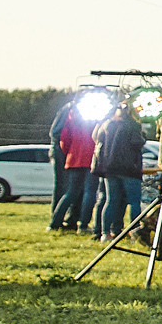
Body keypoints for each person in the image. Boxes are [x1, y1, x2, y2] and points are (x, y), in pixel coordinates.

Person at [91, 96, 147, 239]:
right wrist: (143, 134)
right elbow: (138, 143)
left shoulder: (108, 125)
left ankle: (105, 233)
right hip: (129, 168)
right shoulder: (133, 125)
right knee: (134, 201)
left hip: (110, 168)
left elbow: (97, 140)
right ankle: (135, 231)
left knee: (111, 200)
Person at [50, 93, 100, 232]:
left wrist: (69, 153)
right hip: (91, 158)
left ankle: (55, 223)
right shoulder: (99, 116)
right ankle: (83, 225)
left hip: (73, 158)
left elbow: (63, 138)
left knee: (70, 192)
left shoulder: (72, 115)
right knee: (90, 192)